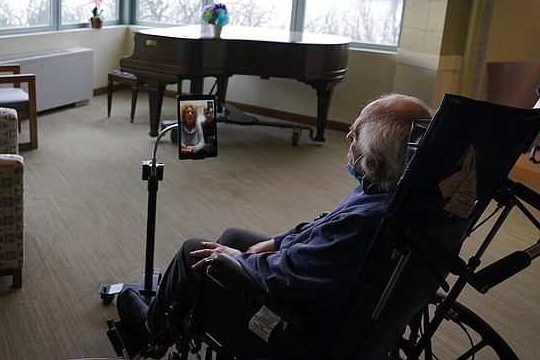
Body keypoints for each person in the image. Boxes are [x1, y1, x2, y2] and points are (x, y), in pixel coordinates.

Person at [113, 93, 433, 359]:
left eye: (355, 136)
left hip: (302, 323)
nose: (350, 136)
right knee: (233, 236)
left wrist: (238, 260)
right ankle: (168, 310)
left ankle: (147, 336)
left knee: (193, 252)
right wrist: (279, 241)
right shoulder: (394, 191)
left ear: (374, 165)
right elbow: (328, 226)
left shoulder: (366, 221)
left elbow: (290, 275)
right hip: (331, 287)